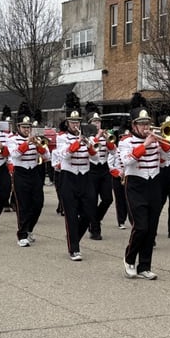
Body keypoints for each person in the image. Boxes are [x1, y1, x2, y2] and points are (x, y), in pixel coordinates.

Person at [119, 107, 169, 280]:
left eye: (147, 123)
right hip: (135, 184)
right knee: (141, 226)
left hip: (154, 183)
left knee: (152, 228)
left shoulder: (157, 139)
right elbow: (126, 161)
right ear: (134, 125)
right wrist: (145, 144)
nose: (145, 127)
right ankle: (129, 258)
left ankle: (145, 266)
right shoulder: (126, 141)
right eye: (141, 124)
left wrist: (162, 141)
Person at [55, 110, 98, 261]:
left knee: (89, 213)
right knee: (71, 215)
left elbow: (96, 157)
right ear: (67, 123)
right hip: (69, 177)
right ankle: (74, 249)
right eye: (73, 122)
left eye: (78, 122)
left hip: (85, 177)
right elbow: (64, 155)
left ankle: (73, 236)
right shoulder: (61, 137)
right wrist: (77, 143)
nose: (75, 125)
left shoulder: (88, 136)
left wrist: (89, 145)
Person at [8, 116, 50, 247]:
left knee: (38, 203)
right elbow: (14, 154)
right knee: (23, 205)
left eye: (28, 127)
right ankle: (22, 234)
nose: (26, 129)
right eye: (24, 127)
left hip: (35, 172)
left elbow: (47, 156)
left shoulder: (37, 140)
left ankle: (29, 229)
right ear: (18, 127)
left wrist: (38, 146)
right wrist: (27, 143)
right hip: (20, 172)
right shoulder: (12, 140)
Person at [86, 112, 116, 241]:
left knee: (108, 199)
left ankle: (95, 220)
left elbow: (114, 151)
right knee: (92, 200)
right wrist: (98, 136)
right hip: (91, 169)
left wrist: (108, 139)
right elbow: (91, 148)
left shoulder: (105, 136)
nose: (97, 124)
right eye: (94, 122)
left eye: (98, 121)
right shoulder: (87, 136)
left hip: (104, 168)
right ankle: (95, 230)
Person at [109, 126, 129, 230]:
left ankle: (130, 219)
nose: (125, 138)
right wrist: (118, 173)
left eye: (127, 136)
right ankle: (121, 221)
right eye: (123, 136)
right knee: (120, 200)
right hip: (117, 177)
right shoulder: (115, 150)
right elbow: (110, 164)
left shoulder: (130, 148)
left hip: (128, 177)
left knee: (129, 200)